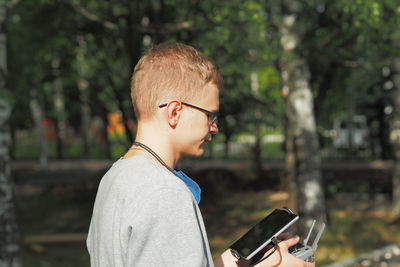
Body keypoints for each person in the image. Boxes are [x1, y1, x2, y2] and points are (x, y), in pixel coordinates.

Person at [86, 42, 315, 267]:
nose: (214, 127)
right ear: (175, 112)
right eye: (210, 115)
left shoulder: (116, 177)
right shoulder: (165, 192)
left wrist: (234, 262)